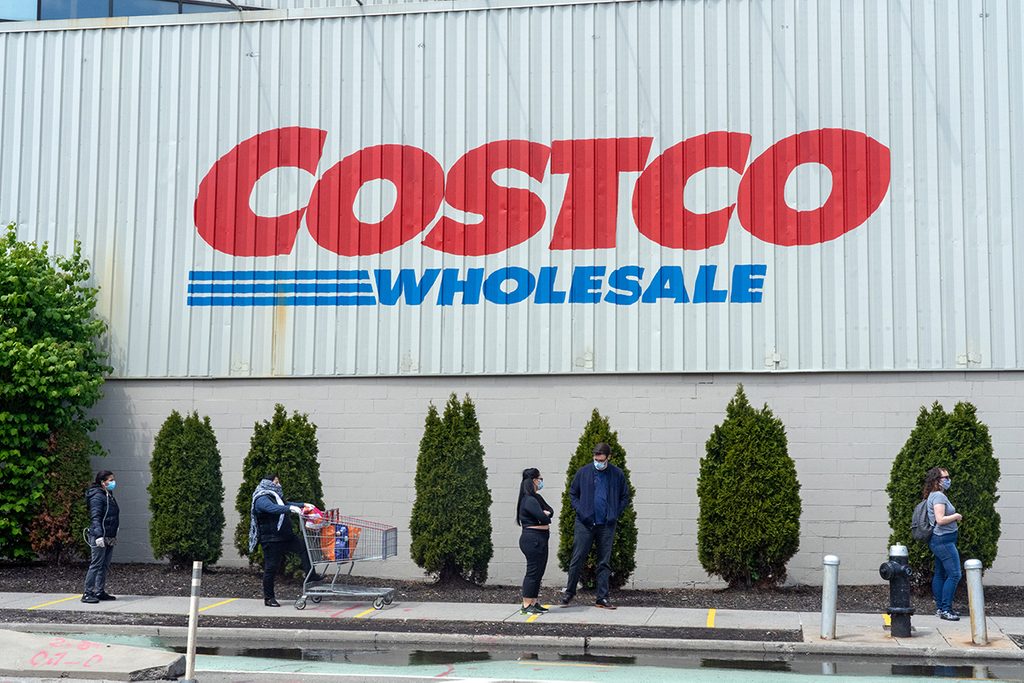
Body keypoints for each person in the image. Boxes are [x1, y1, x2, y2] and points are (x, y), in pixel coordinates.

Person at [559, 442, 631, 609]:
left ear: (608, 458)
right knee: (577, 558)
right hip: (585, 523)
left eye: (601, 459)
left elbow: (624, 496)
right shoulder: (584, 472)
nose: (598, 461)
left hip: (606, 524)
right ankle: (569, 593)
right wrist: (581, 511)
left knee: (604, 562)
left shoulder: (617, 474)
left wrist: (614, 513)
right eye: (596, 458)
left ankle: (602, 597)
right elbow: (573, 493)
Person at [248, 474, 314, 607]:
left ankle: (311, 577)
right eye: (276, 482)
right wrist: (290, 509)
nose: (279, 485)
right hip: (271, 540)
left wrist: (302, 505)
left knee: (304, 547)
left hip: (285, 536)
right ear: (268, 483)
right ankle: (269, 598)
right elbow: (272, 509)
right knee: (271, 568)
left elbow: (286, 504)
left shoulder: (275, 496)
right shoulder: (261, 498)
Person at [924, 466, 963, 621]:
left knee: (940, 574)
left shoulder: (934, 495)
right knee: (954, 574)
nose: (948, 480)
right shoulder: (939, 497)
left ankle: (941, 608)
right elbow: (940, 520)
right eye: (945, 478)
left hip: (940, 540)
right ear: (937, 481)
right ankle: (946, 609)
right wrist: (956, 516)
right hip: (943, 540)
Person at [517, 467, 553, 615]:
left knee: (539, 571)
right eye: (540, 479)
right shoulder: (529, 500)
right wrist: (544, 515)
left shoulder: (536, 498)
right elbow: (544, 517)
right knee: (533, 571)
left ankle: (534, 601)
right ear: (534, 480)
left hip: (541, 538)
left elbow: (550, 511)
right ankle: (526, 604)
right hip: (533, 539)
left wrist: (545, 514)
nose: (541, 481)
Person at [82, 470, 120, 604]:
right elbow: (95, 517)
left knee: (104, 565)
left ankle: (99, 591)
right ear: (102, 482)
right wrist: (98, 535)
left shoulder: (109, 495)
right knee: (96, 564)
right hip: (99, 535)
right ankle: (87, 593)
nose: (113, 482)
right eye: (110, 480)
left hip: (109, 535)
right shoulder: (97, 496)